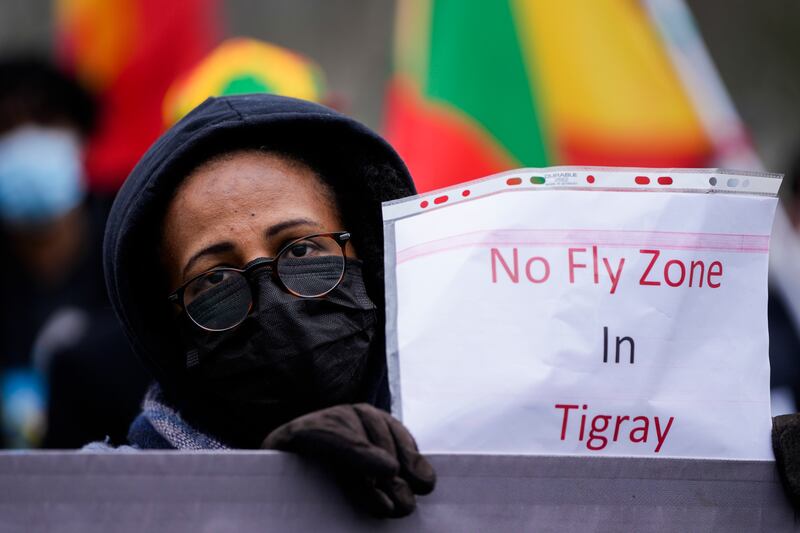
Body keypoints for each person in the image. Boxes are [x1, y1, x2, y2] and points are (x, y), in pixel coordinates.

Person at [101, 93, 435, 517]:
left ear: (368, 260)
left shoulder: (494, 441)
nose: (277, 303)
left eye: (300, 250)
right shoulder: (106, 504)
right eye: (215, 278)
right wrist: (257, 494)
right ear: (167, 327)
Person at [0, 57, 149, 448]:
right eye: (6, 128)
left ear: (82, 136)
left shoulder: (137, 246)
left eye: (46, 123)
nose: (26, 141)